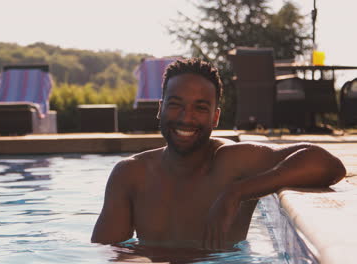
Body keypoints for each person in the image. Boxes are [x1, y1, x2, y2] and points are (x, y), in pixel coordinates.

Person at [91, 58, 346, 250]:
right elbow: (107, 252)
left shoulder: (232, 164)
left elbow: (327, 164)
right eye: (175, 104)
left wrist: (236, 192)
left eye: (200, 108)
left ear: (215, 117)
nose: (185, 117)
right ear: (161, 108)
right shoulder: (131, 174)